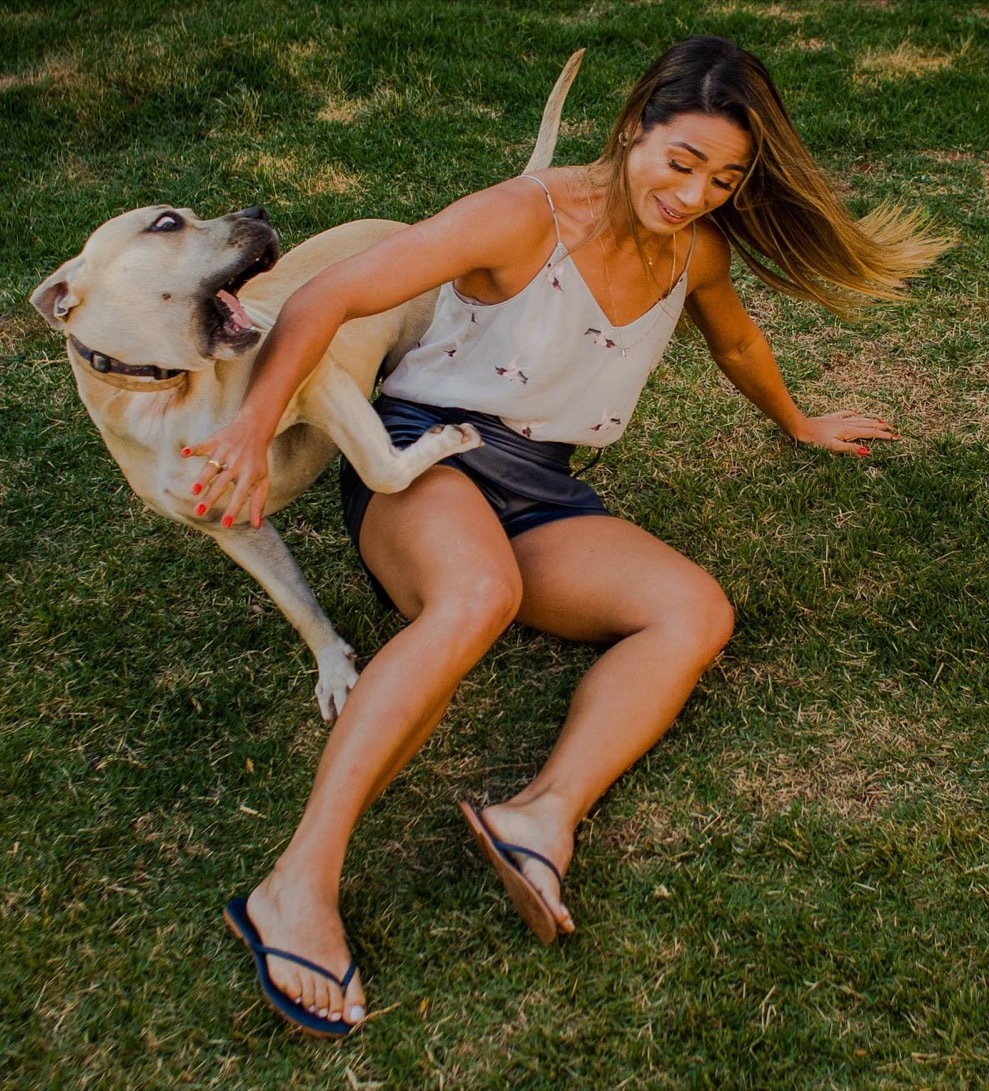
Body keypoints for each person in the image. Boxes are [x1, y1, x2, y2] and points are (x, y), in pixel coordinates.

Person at [189, 35, 950, 1036]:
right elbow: (332, 295)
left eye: (723, 179)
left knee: (692, 610)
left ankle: (541, 813)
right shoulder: (524, 215)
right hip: (427, 458)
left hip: (540, 488)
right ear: (635, 126)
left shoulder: (696, 248)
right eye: (680, 163)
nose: (694, 194)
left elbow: (732, 338)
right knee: (477, 596)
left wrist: (798, 420)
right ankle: (294, 884)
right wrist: (250, 422)